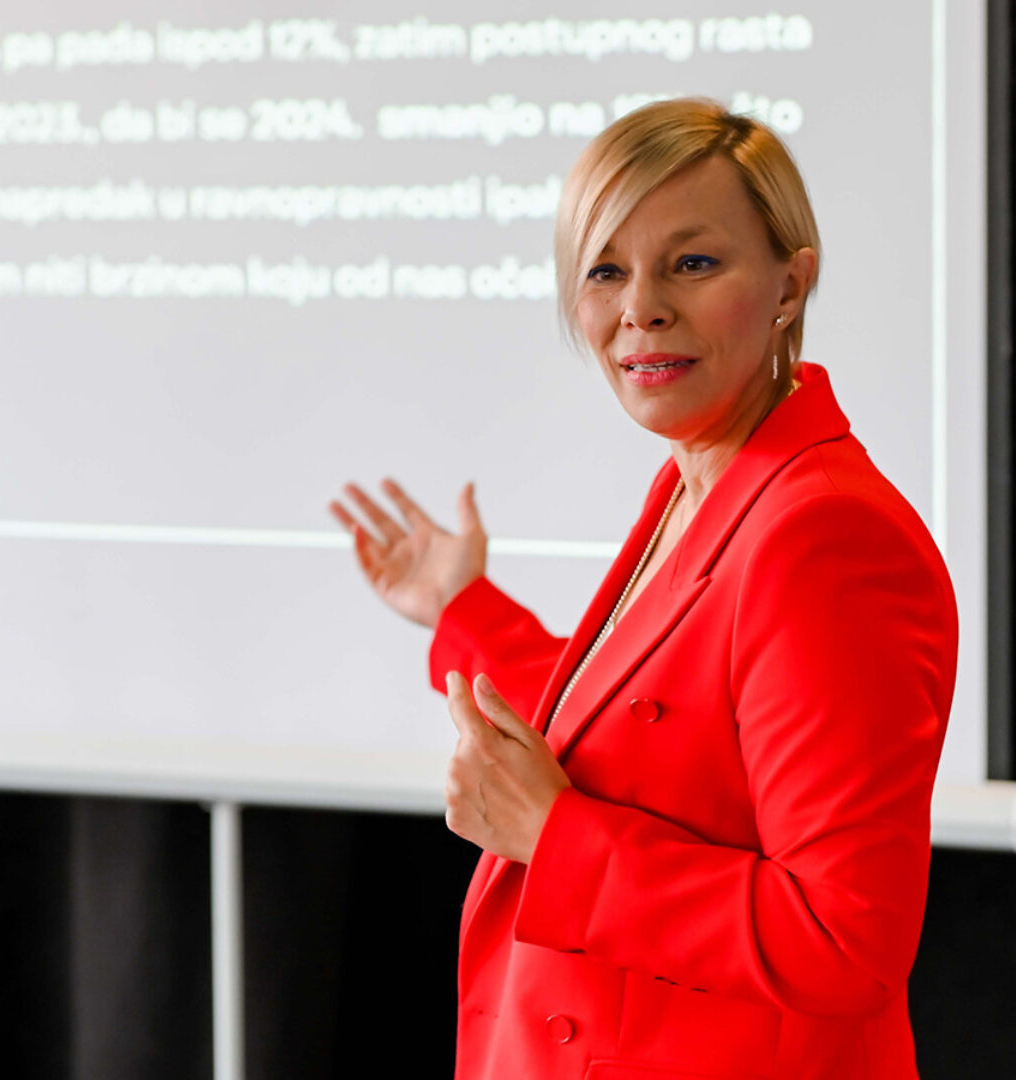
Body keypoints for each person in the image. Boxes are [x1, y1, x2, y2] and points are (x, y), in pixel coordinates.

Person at [328, 98, 957, 1079]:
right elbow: (642, 731)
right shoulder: (700, 480)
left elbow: (843, 939)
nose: (641, 309)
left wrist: (554, 839)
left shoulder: (826, 536)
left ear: (792, 283)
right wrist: (463, 608)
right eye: (605, 270)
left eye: (692, 263)